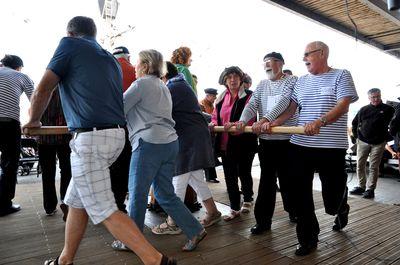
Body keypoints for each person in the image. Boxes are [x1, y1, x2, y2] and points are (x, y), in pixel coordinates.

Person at [23, 16, 176, 265]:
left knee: (104, 209)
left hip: (91, 138)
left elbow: (44, 87)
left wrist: (33, 121)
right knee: (76, 201)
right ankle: (65, 260)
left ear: (71, 33)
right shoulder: (109, 59)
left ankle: (156, 260)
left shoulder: (69, 44)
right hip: (115, 135)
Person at [266, 41, 358, 256]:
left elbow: (343, 104)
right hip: (300, 145)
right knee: (300, 196)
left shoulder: (341, 75)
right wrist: (274, 122)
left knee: (331, 201)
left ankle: (340, 207)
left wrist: (321, 121)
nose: (304, 58)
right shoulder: (301, 81)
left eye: (308, 54)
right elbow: (291, 108)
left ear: (322, 53)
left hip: (331, 147)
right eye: (303, 55)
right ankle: (308, 238)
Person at [112, 49, 206, 253]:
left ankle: (132, 241)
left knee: (137, 194)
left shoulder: (140, 84)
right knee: (165, 194)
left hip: (148, 144)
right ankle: (195, 229)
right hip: (169, 143)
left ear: (145, 66)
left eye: (137, 63)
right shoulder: (163, 86)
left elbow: (118, 109)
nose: (135, 67)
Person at [151, 62, 221, 235]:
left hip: (187, 139)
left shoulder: (173, 88)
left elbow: (159, 112)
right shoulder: (181, 85)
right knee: (195, 178)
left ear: (163, 75)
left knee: (179, 177)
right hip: (193, 137)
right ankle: (213, 212)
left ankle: (174, 222)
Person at [236, 52, 298, 235]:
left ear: (280, 63)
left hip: (287, 141)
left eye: (269, 62)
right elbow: (252, 104)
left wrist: (264, 119)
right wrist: (242, 120)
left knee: (288, 180)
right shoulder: (262, 84)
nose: (266, 66)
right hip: (266, 141)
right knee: (266, 181)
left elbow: (284, 102)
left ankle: (293, 211)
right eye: (264, 63)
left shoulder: (291, 81)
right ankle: (263, 221)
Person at [210, 66, 257, 221]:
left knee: (244, 172)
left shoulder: (249, 96)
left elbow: (250, 117)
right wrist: (213, 123)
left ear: (241, 78)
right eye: (229, 77)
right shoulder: (221, 98)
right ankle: (234, 207)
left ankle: (248, 198)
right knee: (229, 176)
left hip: (244, 142)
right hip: (225, 144)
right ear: (225, 80)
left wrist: (236, 124)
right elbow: (216, 117)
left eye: (236, 76)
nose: (232, 79)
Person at [0, 54, 34, 217]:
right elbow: (35, 99)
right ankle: (4, 204)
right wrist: (34, 121)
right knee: (9, 163)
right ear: (18, 67)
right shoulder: (21, 76)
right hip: (7, 123)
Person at [350, 88, 394, 199]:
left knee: (374, 166)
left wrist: (388, 137)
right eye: (373, 97)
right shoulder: (364, 109)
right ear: (369, 98)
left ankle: (370, 189)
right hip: (363, 141)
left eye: (378, 96)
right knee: (360, 165)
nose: (376, 99)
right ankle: (361, 186)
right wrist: (356, 137)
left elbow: (394, 125)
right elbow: (354, 123)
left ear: (380, 95)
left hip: (379, 143)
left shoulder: (389, 109)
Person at [37, 88, 71, 221]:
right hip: (65, 137)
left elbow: (34, 113)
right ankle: (65, 202)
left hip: (44, 137)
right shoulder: (67, 91)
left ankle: (49, 206)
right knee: (67, 171)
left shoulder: (41, 91)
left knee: (48, 173)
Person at [110, 45, 135, 213]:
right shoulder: (134, 70)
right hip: (129, 126)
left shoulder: (106, 68)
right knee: (124, 164)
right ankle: (120, 202)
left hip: (106, 124)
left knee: (109, 165)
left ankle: (109, 203)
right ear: (128, 56)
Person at [200, 88, 220, 183]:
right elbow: (209, 117)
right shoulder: (201, 105)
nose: (215, 98)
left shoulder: (212, 105)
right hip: (205, 135)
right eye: (213, 96)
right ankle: (210, 177)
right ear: (208, 96)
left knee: (211, 155)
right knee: (209, 155)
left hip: (211, 134)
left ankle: (211, 176)